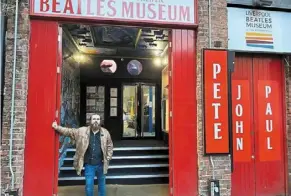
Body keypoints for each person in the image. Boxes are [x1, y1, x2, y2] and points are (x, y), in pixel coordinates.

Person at [52, 114, 113, 196]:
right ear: (90, 121)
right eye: (94, 119)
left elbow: (110, 145)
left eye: (98, 119)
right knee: (89, 186)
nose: (96, 121)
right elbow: (69, 131)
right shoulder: (82, 131)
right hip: (89, 164)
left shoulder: (105, 133)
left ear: (100, 121)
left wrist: (108, 156)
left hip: (101, 164)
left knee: (102, 186)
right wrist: (57, 127)